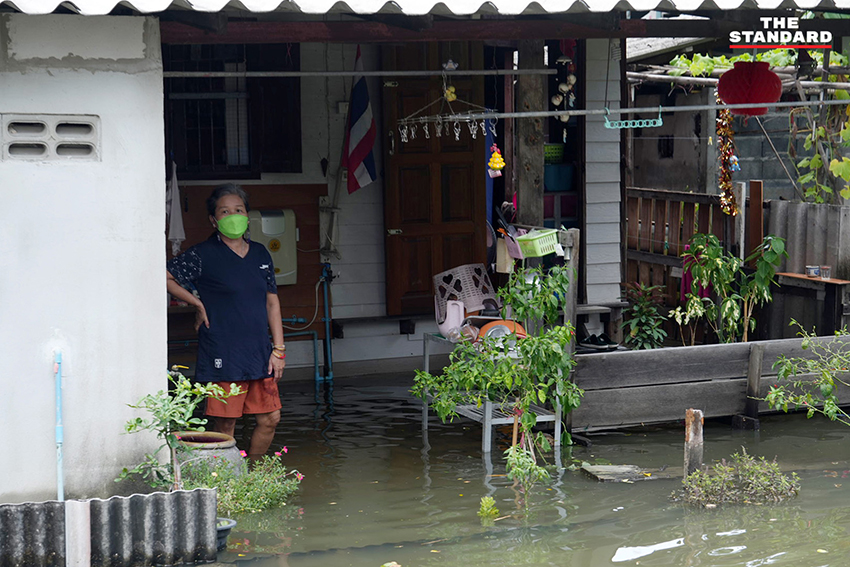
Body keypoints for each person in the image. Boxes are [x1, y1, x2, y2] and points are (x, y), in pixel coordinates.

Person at [166, 183, 285, 460]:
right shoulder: (203, 254)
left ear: (247, 214)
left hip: (260, 351)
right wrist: (196, 303)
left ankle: (250, 474)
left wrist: (278, 350)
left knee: (271, 418)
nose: (233, 215)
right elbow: (165, 276)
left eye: (239, 209)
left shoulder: (260, 253)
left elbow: (272, 302)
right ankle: (227, 479)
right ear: (214, 219)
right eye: (225, 211)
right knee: (225, 424)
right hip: (222, 350)